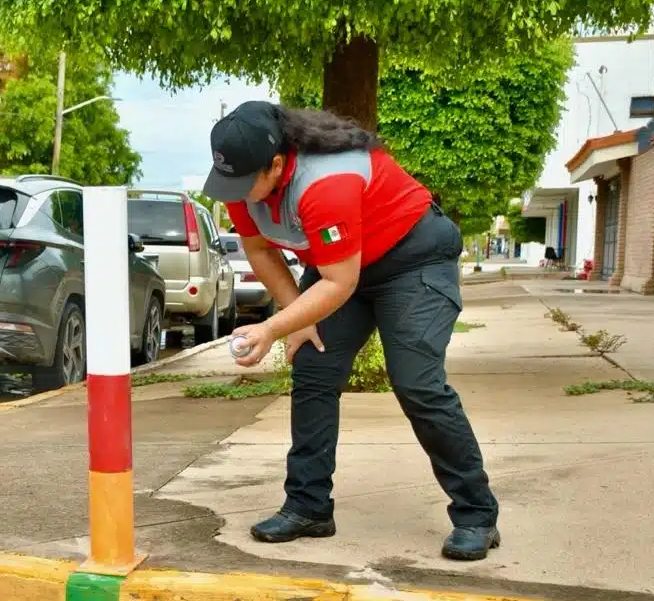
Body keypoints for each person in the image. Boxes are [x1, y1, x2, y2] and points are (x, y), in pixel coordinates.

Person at [203, 101, 499, 561]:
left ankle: (476, 514)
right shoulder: (243, 186)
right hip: (339, 268)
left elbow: (342, 282)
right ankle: (308, 506)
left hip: (412, 260)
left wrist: (274, 328)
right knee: (315, 372)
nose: (235, 195)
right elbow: (261, 251)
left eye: (244, 184)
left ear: (277, 164)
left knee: (417, 382)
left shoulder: (327, 182)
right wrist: (295, 317)